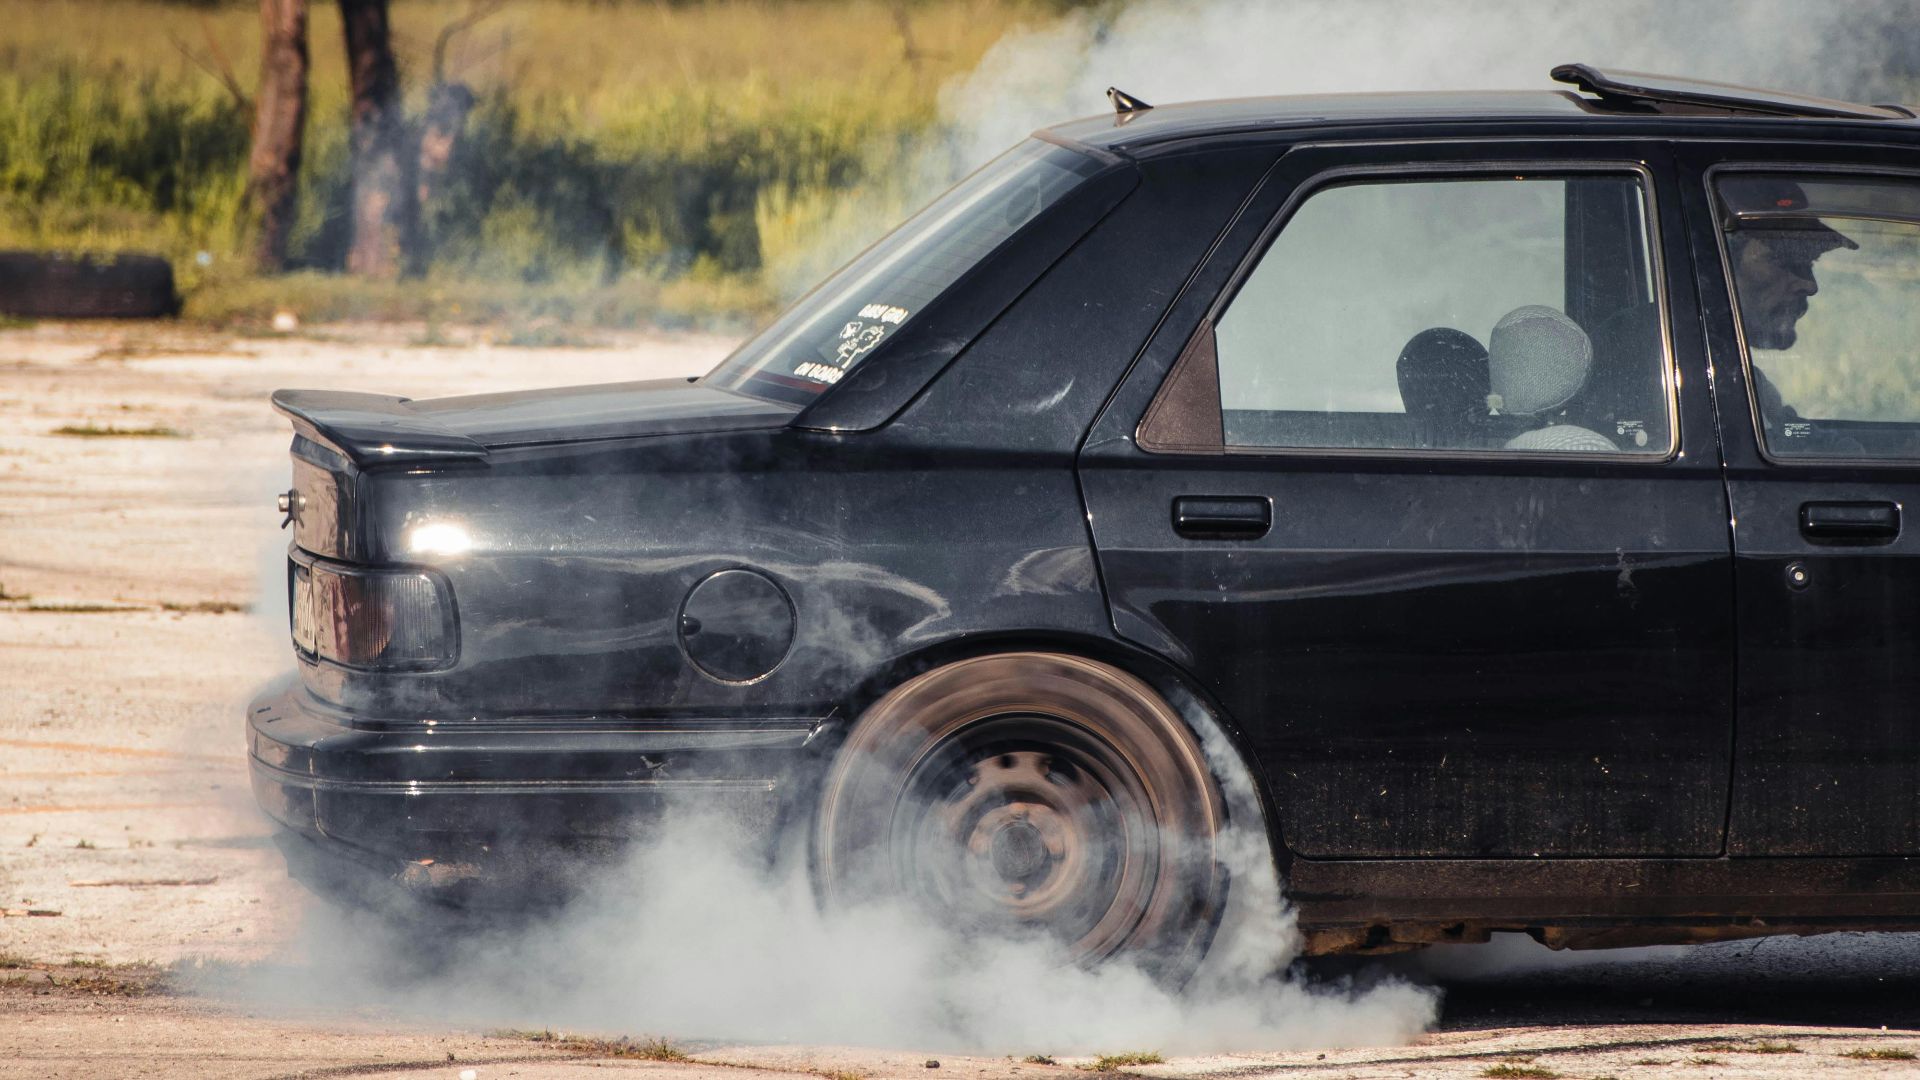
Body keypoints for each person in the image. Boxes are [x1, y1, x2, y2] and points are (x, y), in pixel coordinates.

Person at [1721, 179, 1858, 434]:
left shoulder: (1732, 375)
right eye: (1783, 259)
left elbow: (1791, 436)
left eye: (1809, 262)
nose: (1811, 286)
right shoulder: (1655, 367)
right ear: (1722, 261)